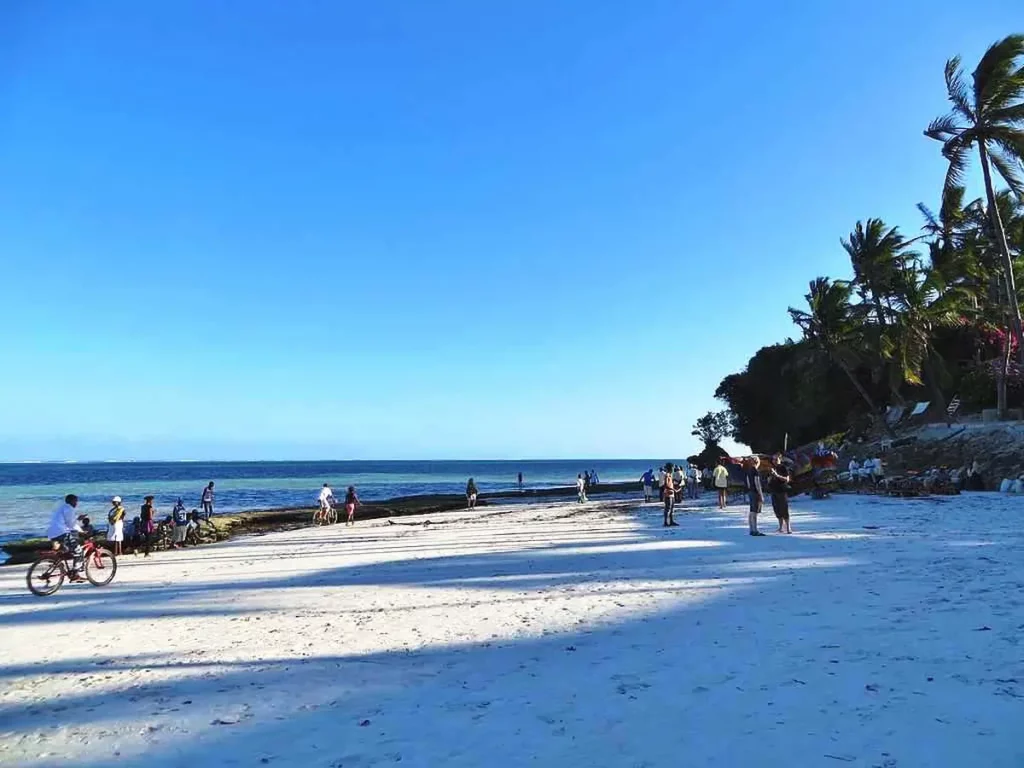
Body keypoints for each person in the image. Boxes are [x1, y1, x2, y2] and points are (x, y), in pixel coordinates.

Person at [46, 494, 86, 581]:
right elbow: (71, 524)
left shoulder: (62, 508)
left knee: (66, 550)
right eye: (76, 501)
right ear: (71, 501)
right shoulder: (70, 508)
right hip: (61, 532)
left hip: (52, 533)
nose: (76, 503)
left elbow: (68, 520)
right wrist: (82, 531)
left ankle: (59, 564)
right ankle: (75, 574)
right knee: (78, 550)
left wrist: (78, 518)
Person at [768, 455, 792, 534]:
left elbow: (787, 479)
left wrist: (777, 475)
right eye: (773, 459)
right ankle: (781, 527)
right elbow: (769, 479)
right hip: (773, 491)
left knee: (784, 509)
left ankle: (788, 527)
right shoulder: (771, 468)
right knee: (777, 510)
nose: (774, 461)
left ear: (780, 460)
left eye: (776, 459)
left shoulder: (783, 468)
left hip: (781, 491)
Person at [745, 458, 765, 536]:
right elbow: (757, 483)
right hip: (755, 492)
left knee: (751, 511)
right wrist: (761, 494)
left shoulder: (749, 470)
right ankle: (755, 530)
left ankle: (751, 529)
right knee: (755, 512)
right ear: (757, 462)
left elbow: (748, 481)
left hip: (750, 491)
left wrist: (750, 488)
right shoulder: (755, 471)